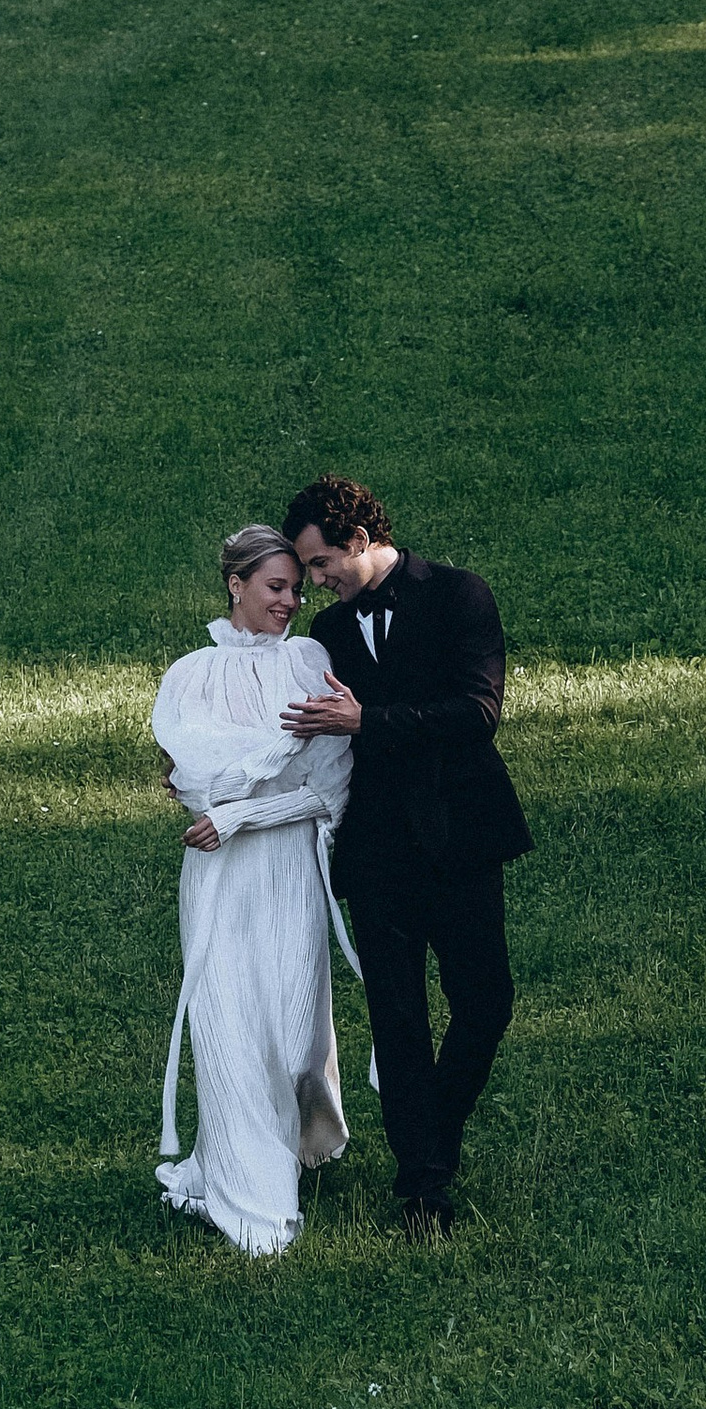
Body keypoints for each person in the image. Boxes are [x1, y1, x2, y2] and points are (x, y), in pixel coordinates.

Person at [278, 477, 530, 1237]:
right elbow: (284, 713)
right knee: (397, 1020)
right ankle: (423, 1188)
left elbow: (477, 713)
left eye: (320, 563)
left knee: (485, 1002)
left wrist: (370, 719)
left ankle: (435, 1139)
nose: (313, 582)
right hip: (379, 847)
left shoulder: (460, 595)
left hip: (462, 836)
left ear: (357, 538)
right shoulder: (331, 632)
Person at [150, 525, 365, 1258]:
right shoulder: (189, 677)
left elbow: (328, 788)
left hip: (289, 866)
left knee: (293, 1027)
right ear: (236, 586)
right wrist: (266, 767)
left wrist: (243, 808)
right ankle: (254, 1202)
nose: (291, 602)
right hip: (221, 877)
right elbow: (195, 781)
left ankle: (298, 1139)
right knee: (231, 1025)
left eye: (297, 589)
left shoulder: (310, 662)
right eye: (277, 587)